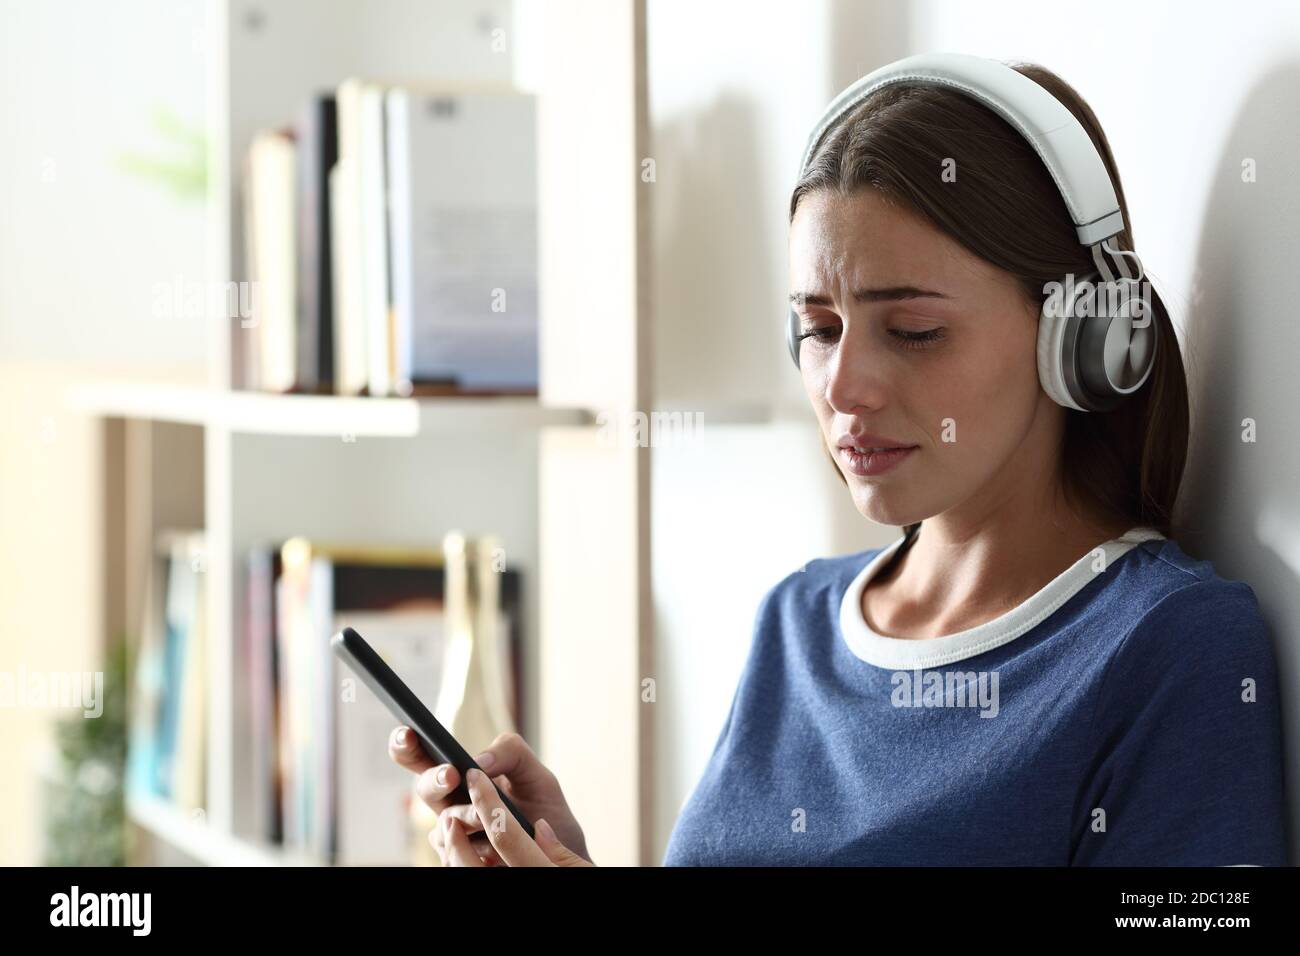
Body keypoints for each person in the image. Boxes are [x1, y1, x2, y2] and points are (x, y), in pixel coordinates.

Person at [388, 54, 1288, 866]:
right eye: (818, 329)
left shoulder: (1171, 647)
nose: (843, 386)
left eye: (915, 330)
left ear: (1083, 338)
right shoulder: (798, 621)